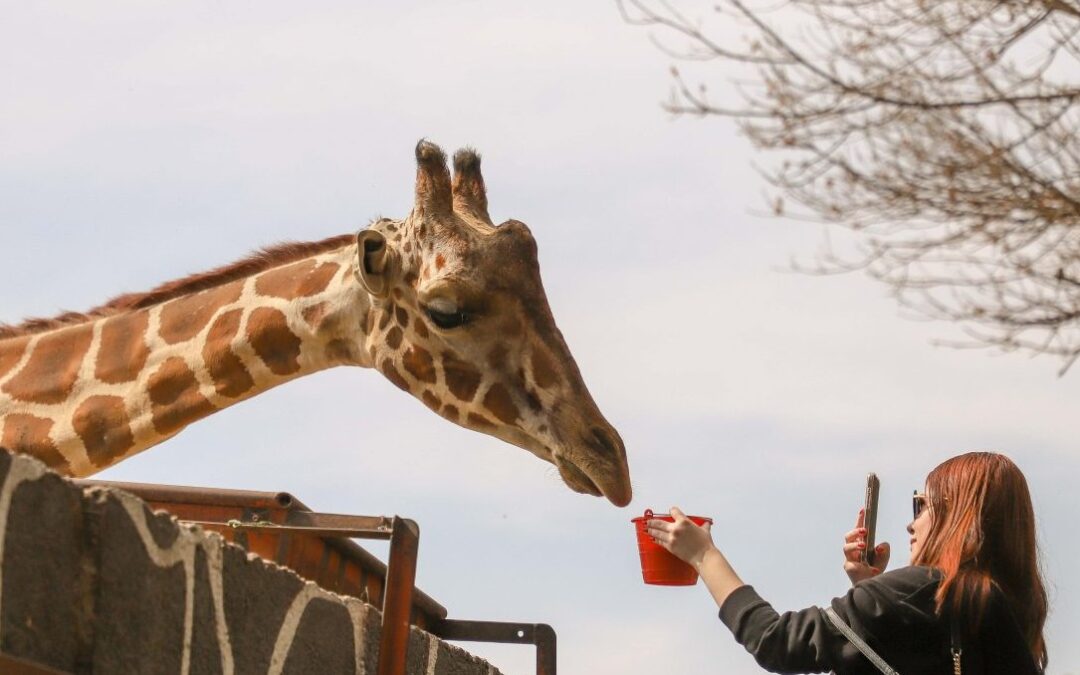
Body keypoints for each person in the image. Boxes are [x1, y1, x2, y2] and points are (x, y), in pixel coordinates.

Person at [646, 451, 1048, 673]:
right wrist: (870, 592)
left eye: (922, 504)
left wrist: (703, 555)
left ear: (958, 515)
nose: (912, 523)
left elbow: (777, 642)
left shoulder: (921, 589)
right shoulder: (1004, 612)